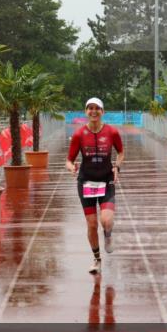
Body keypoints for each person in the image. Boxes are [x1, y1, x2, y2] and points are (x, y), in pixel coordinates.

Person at [67, 97, 124, 274]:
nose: (93, 111)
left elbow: (121, 152)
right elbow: (69, 160)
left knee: (106, 220)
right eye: (90, 108)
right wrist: (71, 167)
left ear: (102, 112)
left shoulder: (112, 132)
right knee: (92, 224)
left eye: (97, 108)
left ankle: (108, 236)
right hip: (86, 182)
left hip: (106, 180)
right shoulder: (79, 134)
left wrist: (117, 166)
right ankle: (97, 259)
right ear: (85, 112)